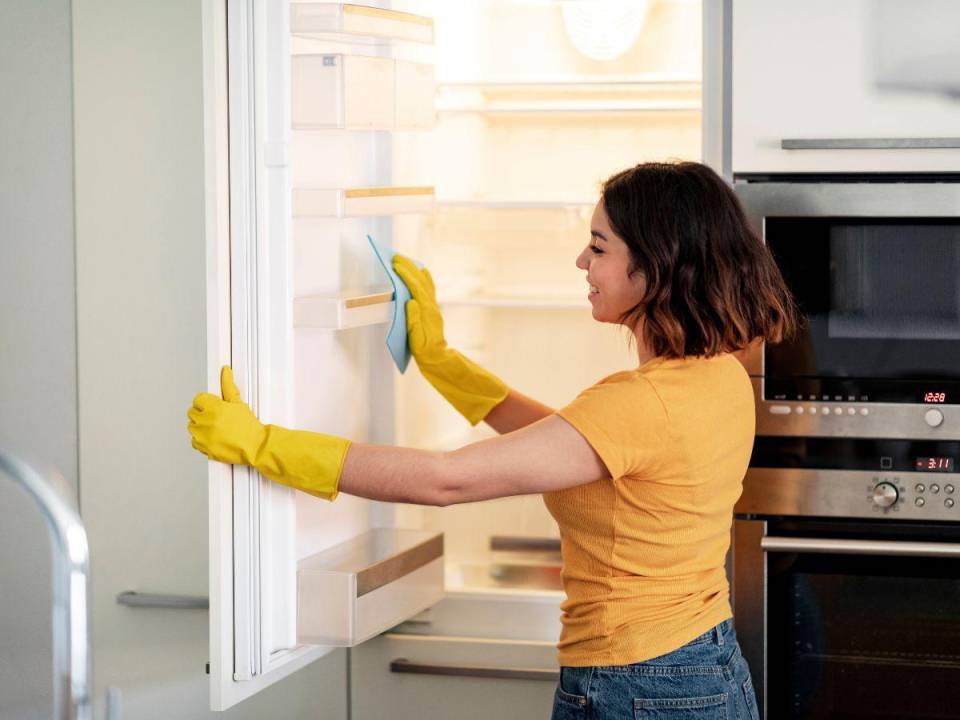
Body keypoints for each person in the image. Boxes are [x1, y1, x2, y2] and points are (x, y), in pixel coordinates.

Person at [188, 161, 797, 720]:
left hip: (639, 681)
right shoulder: (716, 374)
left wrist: (264, 444)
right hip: (699, 664)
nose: (581, 263)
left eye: (598, 246)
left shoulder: (643, 401)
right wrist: (441, 360)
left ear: (657, 264)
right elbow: (570, 440)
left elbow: (446, 479)